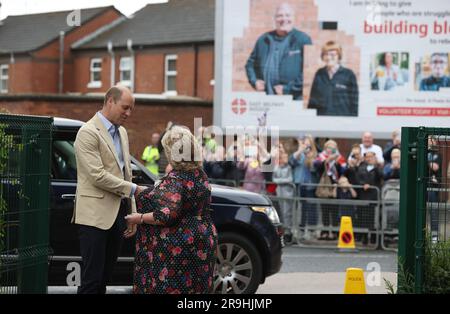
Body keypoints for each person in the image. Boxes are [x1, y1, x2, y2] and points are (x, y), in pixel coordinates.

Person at [125, 126, 218, 294]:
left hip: (181, 243)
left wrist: (138, 218)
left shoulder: (175, 179)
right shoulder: (200, 174)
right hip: (203, 238)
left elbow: (166, 214)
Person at [72, 85, 145, 294]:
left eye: (131, 109)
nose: (128, 114)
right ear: (110, 101)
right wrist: (134, 190)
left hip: (118, 215)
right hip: (94, 217)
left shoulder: (122, 132)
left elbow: (126, 173)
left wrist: (131, 213)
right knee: (91, 281)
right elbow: (97, 176)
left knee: (104, 279)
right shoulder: (87, 132)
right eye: (125, 108)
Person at [245, 2, 312, 100]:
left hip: (293, 99)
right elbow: (250, 64)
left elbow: (309, 71)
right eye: (280, 16)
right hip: (267, 99)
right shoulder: (263, 40)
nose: (284, 19)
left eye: (287, 15)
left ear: (294, 18)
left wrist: (288, 89)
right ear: (275, 19)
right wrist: (254, 81)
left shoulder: (302, 39)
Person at [308, 41, 359, 116]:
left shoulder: (349, 75)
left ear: (339, 56)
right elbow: (312, 101)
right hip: (322, 120)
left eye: (332, 55)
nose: (328, 57)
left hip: (342, 121)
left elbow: (355, 103)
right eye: (326, 54)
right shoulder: (319, 74)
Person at [314, 139, 347, 240]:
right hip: (324, 185)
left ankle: (334, 231)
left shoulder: (339, 157)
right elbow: (316, 166)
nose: (330, 149)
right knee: (324, 210)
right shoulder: (321, 156)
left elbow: (344, 170)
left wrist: (337, 162)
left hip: (335, 186)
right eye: (329, 147)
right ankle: (325, 231)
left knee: (335, 210)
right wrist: (327, 161)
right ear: (325, 148)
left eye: (333, 147)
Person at [289, 134, 319, 240]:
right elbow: (291, 161)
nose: (306, 145)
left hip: (310, 186)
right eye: (304, 143)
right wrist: (300, 150)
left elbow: (317, 169)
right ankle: (299, 229)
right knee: (299, 208)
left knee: (310, 208)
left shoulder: (315, 155)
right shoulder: (299, 154)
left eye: (308, 143)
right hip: (299, 184)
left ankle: (310, 230)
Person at [273, 152, 295, 243]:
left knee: (287, 213)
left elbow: (290, 179)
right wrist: (282, 181)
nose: (286, 159)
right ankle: (282, 231)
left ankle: (288, 232)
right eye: (284, 157)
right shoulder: (276, 168)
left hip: (288, 193)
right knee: (281, 213)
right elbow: (274, 179)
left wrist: (280, 181)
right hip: (279, 193)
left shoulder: (289, 168)